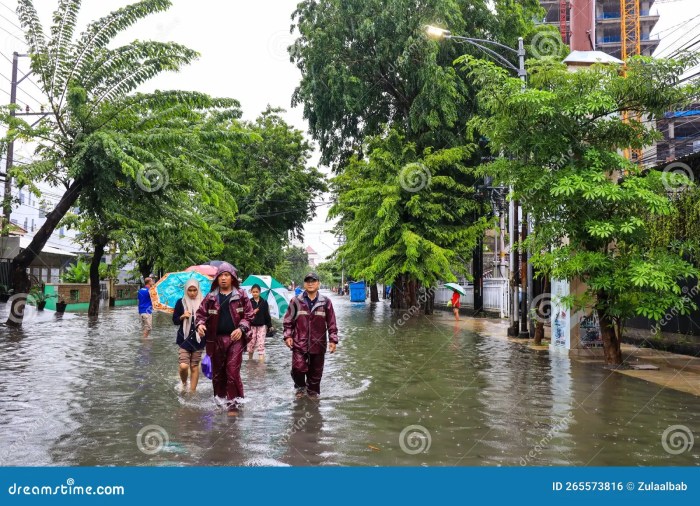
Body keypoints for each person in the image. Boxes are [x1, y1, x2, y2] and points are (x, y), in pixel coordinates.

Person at [195, 262, 255, 415]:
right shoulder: (211, 297)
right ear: (217, 278)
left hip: (235, 340)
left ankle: (233, 403)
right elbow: (200, 315)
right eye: (221, 275)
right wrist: (200, 325)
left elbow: (249, 316)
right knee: (218, 373)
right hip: (215, 340)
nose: (223, 278)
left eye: (227, 275)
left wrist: (241, 328)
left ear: (232, 278)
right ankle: (220, 400)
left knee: (232, 372)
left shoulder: (241, 295)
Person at [283, 272, 338, 399]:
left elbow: (331, 323)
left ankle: (313, 395)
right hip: (299, 342)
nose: (310, 283)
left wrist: (333, 340)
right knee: (298, 368)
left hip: (318, 344)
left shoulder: (326, 302)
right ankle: (300, 387)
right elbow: (288, 321)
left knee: (316, 373)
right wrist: (288, 336)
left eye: (313, 281)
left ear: (318, 283)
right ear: (304, 284)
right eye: (308, 281)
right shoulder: (296, 300)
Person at [173, 278, 205, 393]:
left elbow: (208, 320)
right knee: (183, 366)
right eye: (189, 290)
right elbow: (175, 321)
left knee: (194, 366)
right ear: (186, 290)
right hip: (184, 339)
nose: (192, 293)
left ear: (198, 290)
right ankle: (184, 382)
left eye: (194, 290)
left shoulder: (204, 303)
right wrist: (182, 316)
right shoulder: (180, 302)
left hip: (199, 339)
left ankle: (192, 392)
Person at [248, 284, 272, 361]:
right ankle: (250, 360)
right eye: (253, 292)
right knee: (251, 343)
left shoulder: (264, 302)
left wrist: (270, 325)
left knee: (261, 344)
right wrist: (252, 312)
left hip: (262, 326)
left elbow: (267, 315)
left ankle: (261, 363)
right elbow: (245, 314)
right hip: (252, 326)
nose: (255, 293)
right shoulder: (249, 302)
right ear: (251, 292)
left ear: (260, 292)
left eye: (257, 292)